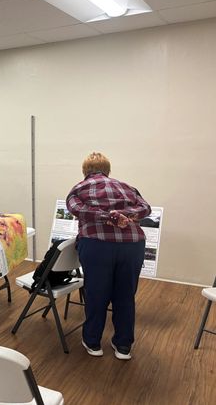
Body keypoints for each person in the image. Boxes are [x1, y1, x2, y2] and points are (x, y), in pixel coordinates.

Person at [66, 152, 151, 360]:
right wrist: (123, 215)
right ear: (108, 170)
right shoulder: (128, 187)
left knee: (96, 293)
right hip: (132, 245)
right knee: (125, 295)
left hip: (97, 244)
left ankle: (93, 342)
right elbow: (145, 208)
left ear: (85, 171)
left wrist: (107, 217)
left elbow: (77, 210)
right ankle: (123, 346)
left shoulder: (79, 188)